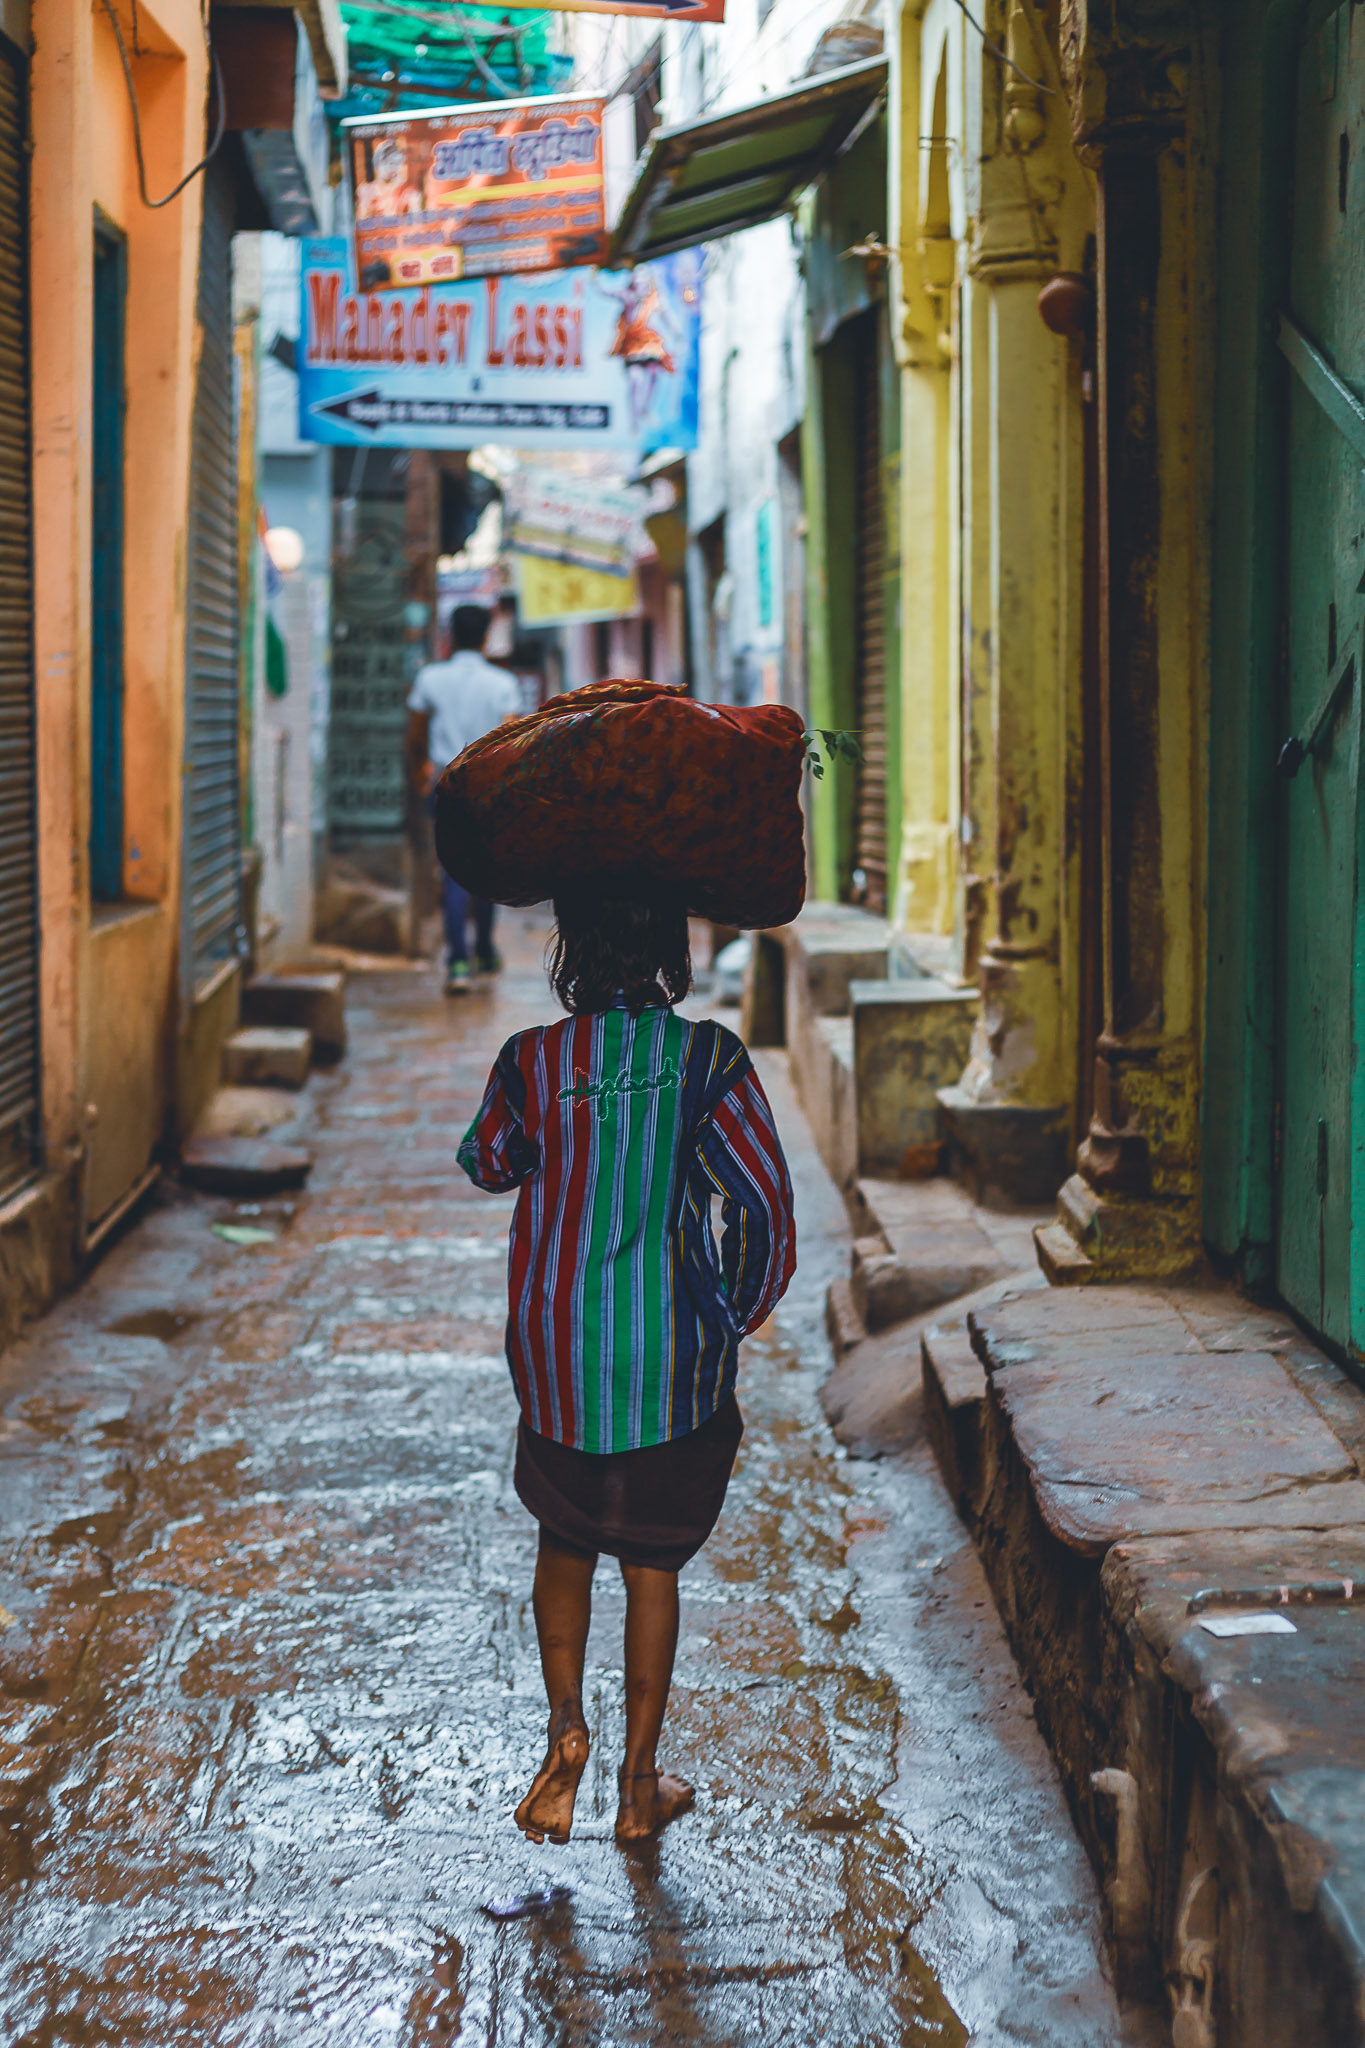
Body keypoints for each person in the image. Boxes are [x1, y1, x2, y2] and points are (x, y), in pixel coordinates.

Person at [456, 886, 796, 1845]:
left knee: (563, 1541)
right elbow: (762, 1202)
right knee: (652, 1563)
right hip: (668, 1353)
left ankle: (565, 1733)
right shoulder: (707, 1060)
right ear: (670, 954)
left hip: (556, 1350)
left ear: (570, 954)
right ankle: (638, 1789)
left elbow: (488, 1161)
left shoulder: (531, 1059)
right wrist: (733, 1311)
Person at [406, 604, 521, 992]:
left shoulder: (430, 678)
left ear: (450, 635)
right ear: (486, 637)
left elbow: (415, 734)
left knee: (452, 873)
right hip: (488, 786)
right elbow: (510, 740)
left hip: (446, 783)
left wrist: (420, 773)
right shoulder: (502, 683)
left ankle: (457, 961)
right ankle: (484, 950)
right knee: (485, 870)